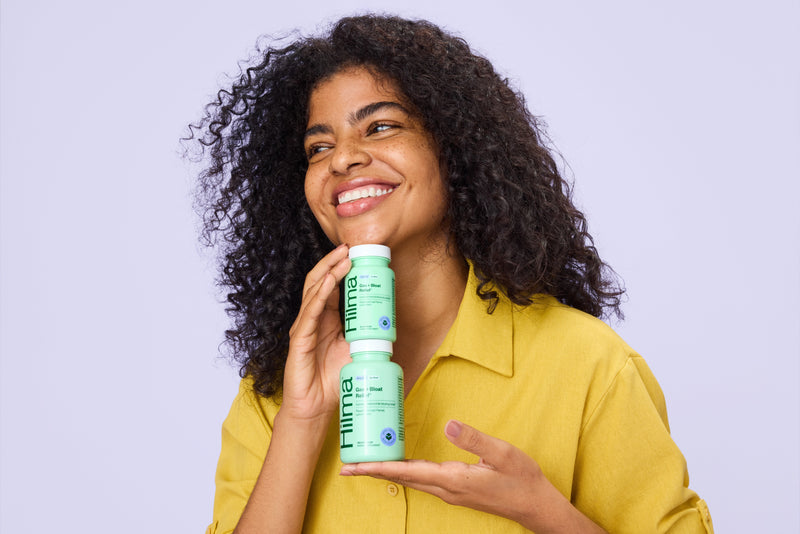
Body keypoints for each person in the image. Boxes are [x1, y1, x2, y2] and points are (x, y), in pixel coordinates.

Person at [189, 14, 714, 534]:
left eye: (381, 126)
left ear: (454, 148)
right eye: (318, 147)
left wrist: (540, 509)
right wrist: (301, 423)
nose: (343, 158)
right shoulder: (277, 388)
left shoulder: (588, 366)